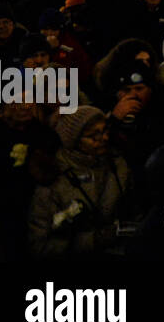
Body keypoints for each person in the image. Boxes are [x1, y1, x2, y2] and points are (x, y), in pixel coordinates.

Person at [27, 106, 136, 259]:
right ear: (74, 140)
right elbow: (40, 246)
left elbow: (135, 206)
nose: (104, 138)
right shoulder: (53, 179)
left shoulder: (117, 164)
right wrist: (94, 240)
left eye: (105, 131)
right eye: (94, 136)